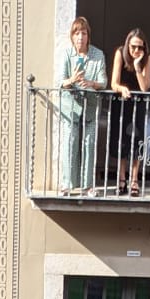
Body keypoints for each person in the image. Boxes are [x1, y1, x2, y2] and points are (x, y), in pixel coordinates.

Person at [58, 17, 106, 193]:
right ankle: (68, 185)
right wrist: (72, 80)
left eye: (83, 33)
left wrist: (91, 83)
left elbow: (103, 82)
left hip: (90, 106)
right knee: (70, 143)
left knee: (89, 143)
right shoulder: (67, 54)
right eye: (77, 33)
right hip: (70, 107)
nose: (80, 37)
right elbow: (59, 81)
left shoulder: (97, 55)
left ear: (88, 36)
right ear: (72, 36)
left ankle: (88, 185)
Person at [108, 29, 150, 193]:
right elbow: (114, 82)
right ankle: (121, 179)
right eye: (133, 46)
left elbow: (144, 87)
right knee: (122, 140)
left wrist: (136, 66)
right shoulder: (120, 53)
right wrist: (122, 89)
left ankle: (134, 180)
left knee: (137, 140)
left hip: (138, 103)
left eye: (140, 47)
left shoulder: (146, 57)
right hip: (122, 101)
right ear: (128, 44)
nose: (136, 50)